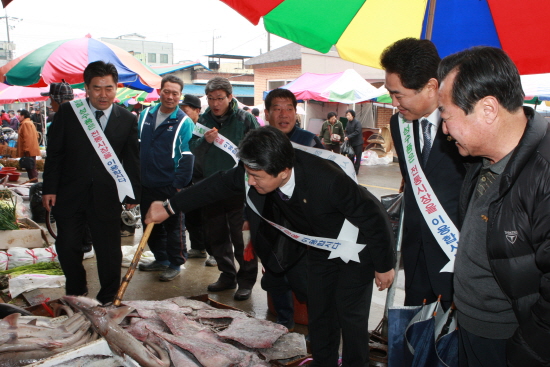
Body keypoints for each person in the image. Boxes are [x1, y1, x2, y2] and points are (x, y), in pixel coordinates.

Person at [146, 126, 395, 367]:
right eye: (248, 174)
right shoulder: (254, 170)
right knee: (320, 311)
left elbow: (373, 215)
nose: (250, 182)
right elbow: (215, 185)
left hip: (355, 244)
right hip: (321, 245)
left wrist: (384, 265)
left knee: (351, 316)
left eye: (257, 177)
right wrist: (169, 207)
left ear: (284, 171)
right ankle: (324, 362)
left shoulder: (327, 179)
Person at [438, 46, 550, 367]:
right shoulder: (482, 158)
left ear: (488, 109)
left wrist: (523, 353)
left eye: (446, 116)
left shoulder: (544, 175)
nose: (444, 130)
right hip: (472, 326)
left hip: (511, 343)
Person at [42, 61, 141, 305]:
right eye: (97, 88)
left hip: (106, 195)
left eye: (109, 88)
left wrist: (132, 195)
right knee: (67, 245)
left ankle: (108, 297)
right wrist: (49, 188)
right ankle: (76, 289)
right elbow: (55, 154)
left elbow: (131, 159)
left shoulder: (127, 118)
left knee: (109, 250)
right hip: (69, 193)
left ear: (116, 88)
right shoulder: (69, 112)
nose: (103, 94)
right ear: (86, 88)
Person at [380, 38, 467, 309]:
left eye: (399, 94)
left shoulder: (464, 122)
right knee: (417, 334)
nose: (394, 103)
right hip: (416, 253)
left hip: (457, 251)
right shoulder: (399, 124)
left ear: (431, 87)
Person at [189, 77, 259, 300]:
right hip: (212, 186)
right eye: (211, 99)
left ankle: (246, 280)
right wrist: (205, 142)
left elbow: (260, 147)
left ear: (230, 97)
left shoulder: (245, 119)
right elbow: (193, 149)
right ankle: (227, 274)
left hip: (240, 187)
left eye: (220, 98)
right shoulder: (204, 119)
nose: (215, 103)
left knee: (242, 238)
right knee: (216, 236)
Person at [261, 88, 324, 329]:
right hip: (270, 223)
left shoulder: (309, 141)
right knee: (276, 276)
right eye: (277, 108)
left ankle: (316, 327)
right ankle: (284, 321)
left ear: (296, 112)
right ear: (267, 113)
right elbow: (247, 182)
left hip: (303, 225)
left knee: (305, 279)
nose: (283, 114)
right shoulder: (260, 141)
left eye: (289, 108)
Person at [137, 75, 194, 282]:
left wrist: (179, 185)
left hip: (170, 184)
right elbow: (137, 147)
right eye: (166, 92)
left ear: (180, 96)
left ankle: (175, 263)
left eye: (175, 94)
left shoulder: (184, 122)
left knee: (174, 228)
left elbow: (187, 156)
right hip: (147, 183)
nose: (170, 97)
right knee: (149, 224)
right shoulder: (145, 115)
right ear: (160, 92)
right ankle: (160, 259)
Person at [41, 80, 93, 253]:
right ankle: (84, 244)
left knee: (73, 220)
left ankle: (83, 245)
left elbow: (55, 155)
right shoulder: (82, 115)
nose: (50, 103)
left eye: (51, 99)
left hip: (70, 182)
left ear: (57, 99)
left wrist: (51, 187)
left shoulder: (63, 118)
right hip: (78, 181)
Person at [179, 94, 208, 259]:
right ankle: (198, 247)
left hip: (204, 177)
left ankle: (213, 251)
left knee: (208, 216)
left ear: (197, 110)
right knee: (191, 214)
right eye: (180, 110)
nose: (182, 113)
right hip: (188, 176)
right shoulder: (181, 125)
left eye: (185, 110)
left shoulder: (205, 127)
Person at [16, 109, 41, 180]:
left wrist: (26, 150)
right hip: (31, 149)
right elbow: (36, 135)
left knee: (31, 168)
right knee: (31, 167)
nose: (18, 117)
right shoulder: (28, 122)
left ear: (23, 116)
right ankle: (33, 182)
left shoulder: (26, 124)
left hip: (29, 150)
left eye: (20, 115)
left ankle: (34, 184)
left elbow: (28, 138)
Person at [344, 109, 362, 174]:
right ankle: (351, 169)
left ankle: (356, 170)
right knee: (350, 156)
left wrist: (348, 137)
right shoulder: (348, 123)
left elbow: (357, 131)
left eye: (348, 115)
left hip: (358, 143)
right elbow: (346, 131)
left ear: (353, 115)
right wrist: (346, 136)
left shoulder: (357, 122)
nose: (347, 116)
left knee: (357, 157)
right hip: (351, 143)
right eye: (346, 115)